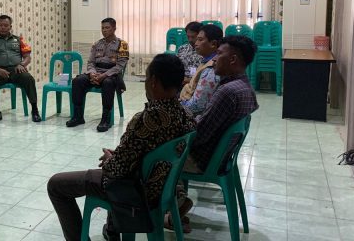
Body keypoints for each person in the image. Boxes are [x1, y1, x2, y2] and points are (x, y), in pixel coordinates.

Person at [47, 54, 194, 241]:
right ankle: (113, 229)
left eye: (147, 78)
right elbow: (152, 148)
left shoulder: (146, 119)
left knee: (56, 185)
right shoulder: (186, 114)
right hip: (164, 187)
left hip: (137, 188)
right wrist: (124, 155)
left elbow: (116, 170)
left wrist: (112, 159)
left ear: (154, 82)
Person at [171, 35, 259, 231]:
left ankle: (160, 210)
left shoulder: (227, 92)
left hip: (204, 159)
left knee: (152, 153)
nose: (214, 59)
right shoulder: (245, 87)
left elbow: (199, 135)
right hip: (222, 156)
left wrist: (174, 131)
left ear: (233, 59)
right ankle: (174, 203)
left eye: (219, 54)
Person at [66, 18, 129, 132]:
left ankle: (106, 119)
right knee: (77, 81)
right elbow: (90, 62)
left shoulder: (122, 44)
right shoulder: (97, 44)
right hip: (95, 73)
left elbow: (119, 66)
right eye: (102, 28)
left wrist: (103, 76)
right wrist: (92, 74)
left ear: (114, 28)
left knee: (108, 83)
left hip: (111, 75)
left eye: (107, 28)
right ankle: (78, 116)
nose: (104, 30)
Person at [0, 15, 41, 123]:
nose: (3, 27)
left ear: (10, 27)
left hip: (16, 70)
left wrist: (22, 65)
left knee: (29, 79)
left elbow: (28, 57)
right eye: (1, 25)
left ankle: (35, 110)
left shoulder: (18, 40)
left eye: (6, 25)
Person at [179, 24, 222, 116]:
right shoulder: (206, 60)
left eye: (200, 39)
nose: (195, 43)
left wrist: (176, 106)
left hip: (195, 119)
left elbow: (196, 106)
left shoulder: (211, 70)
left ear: (213, 44)